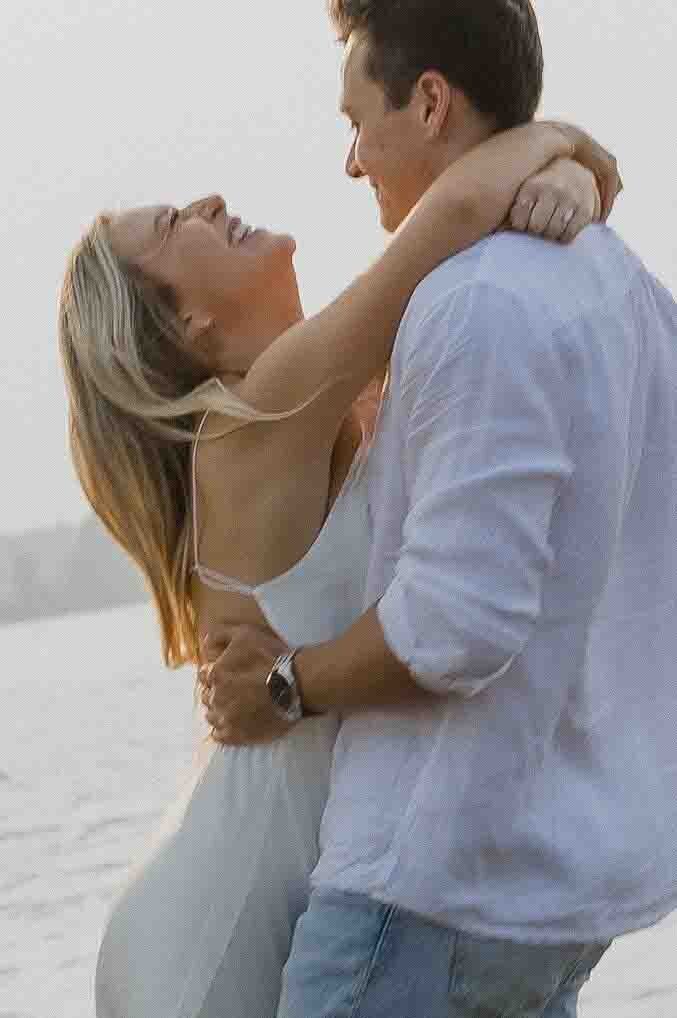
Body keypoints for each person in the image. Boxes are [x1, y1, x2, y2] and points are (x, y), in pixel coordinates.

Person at [58, 114, 614, 1017]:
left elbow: (510, 222)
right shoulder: (251, 427)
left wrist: (577, 180)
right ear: (186, 322)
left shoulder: (363, 391)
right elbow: (466, 203)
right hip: (214, 935)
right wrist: (563, 145)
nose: (208, 202)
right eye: (173, 226)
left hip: (331, 905)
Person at [200, 2, 677, 1017]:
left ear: (426, 103)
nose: (347, 163)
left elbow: (452, 628)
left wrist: (281, 686)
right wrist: (561, 151)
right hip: (539, 891)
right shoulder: (622, 285)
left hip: (424, 894)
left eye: (353, 121)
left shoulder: (470, 308)